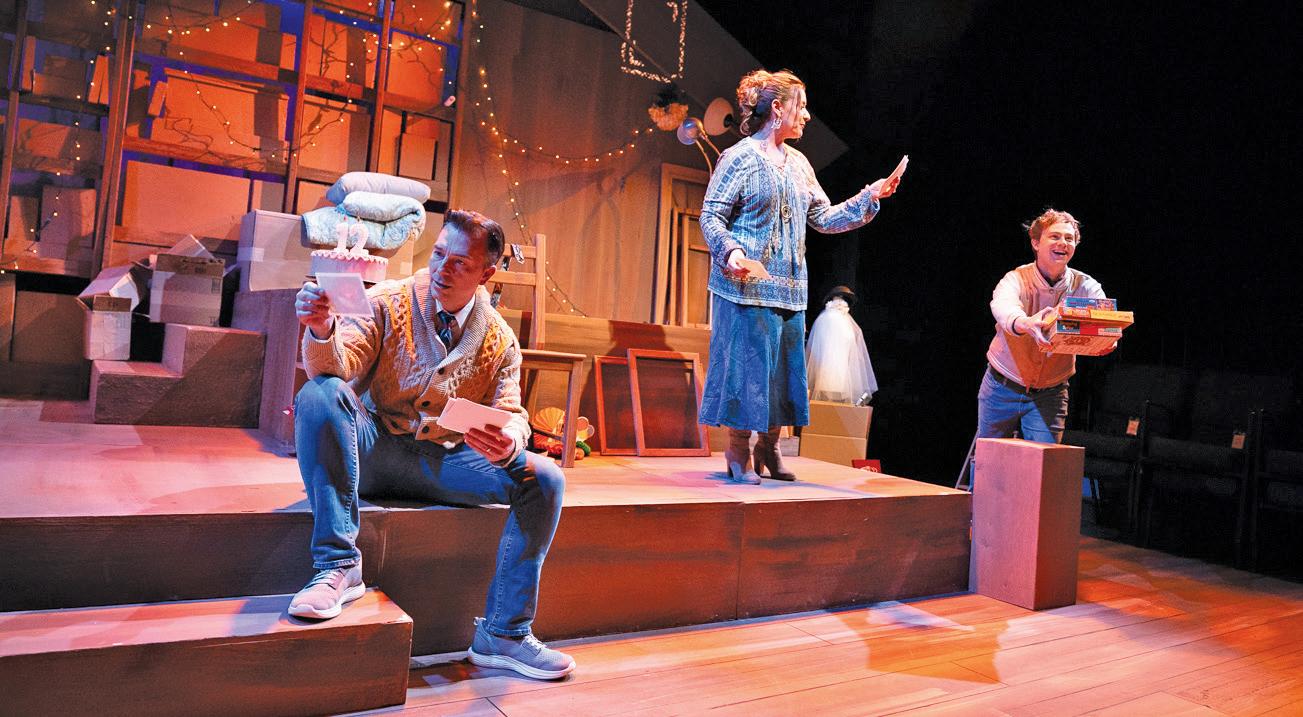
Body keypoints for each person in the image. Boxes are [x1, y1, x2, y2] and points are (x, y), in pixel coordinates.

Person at [288, 209, 575, 680]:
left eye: (460, 263)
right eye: (439, 254)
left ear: (486, 274)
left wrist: (507, 441)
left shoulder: (500, 339)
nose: (443, 269)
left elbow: (512, 413)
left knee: (544, 477)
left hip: (444, 462)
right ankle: (338, 565)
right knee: (321, 393)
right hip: (374, 449)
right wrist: (322, 331)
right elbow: (338, 366)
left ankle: (504, 633)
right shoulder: (388, 301)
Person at [698, 68, 900, 484]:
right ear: (777, 109)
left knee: (781, 376)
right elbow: (711, 215)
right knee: (748, 372)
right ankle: (738, 450)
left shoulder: (799, 164)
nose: (807, 115)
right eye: (801, 107)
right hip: (746, 287)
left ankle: (769, 448)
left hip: (789, 289)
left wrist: (869, 195)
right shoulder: (738, 158)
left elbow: (824, 218)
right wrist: (732, 251)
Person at [977, 208, 1111, 444]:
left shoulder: (1086, 285)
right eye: (1055, 236)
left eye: (1069, 238)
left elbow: (1105, 319)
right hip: (1002, 385)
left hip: (1051, 393)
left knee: (1044, 461)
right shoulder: (1016, 279)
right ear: (1036, 243)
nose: (1063, 243)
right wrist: (1026, 323)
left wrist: (1106, 339)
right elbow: (1003, 307)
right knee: (990, 459)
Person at [806, 285, 878, 405]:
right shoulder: (828, 319)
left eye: (843, 299)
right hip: (827, 374)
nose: (841, 302)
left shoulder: (842, 321)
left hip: (839, 375)